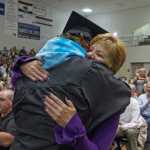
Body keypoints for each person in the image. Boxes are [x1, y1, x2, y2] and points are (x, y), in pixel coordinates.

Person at [11, 11, 130, 150]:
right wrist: (22, 64)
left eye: (99, 55)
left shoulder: (112, 101)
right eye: (90, 50)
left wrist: (74, 127)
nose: (89, 56)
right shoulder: (51, 70)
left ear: (111, 67)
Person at [116, 85, 147, 150]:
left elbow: (134, 122)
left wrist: (122, 127)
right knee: (108, 131)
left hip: (132, 126)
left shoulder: (134, 102)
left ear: (132, 93)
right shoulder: (117, 102)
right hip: (120, 126)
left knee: (131, 132)